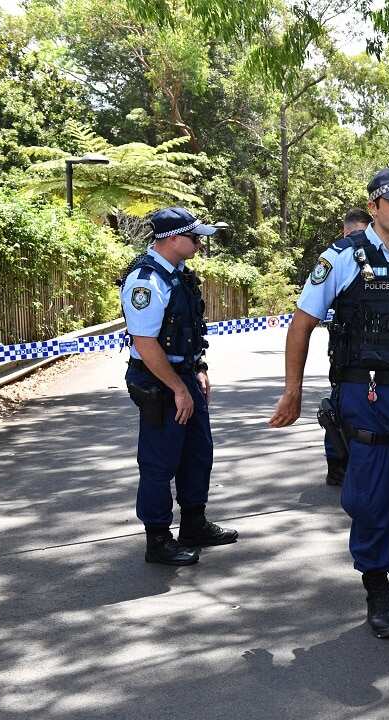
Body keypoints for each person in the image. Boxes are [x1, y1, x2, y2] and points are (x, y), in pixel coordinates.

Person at [269, 168, 389, 639]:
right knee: (369, 501)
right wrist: (292, 390)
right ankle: (376, 584)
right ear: (373, 207)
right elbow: (301, 324)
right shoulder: (341, 260)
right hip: (364, 392)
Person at [121, 207, 239, 566]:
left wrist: (198, 369)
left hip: (183, 375)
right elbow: (145, 342)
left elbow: (188, 332)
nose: (200, 244)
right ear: (172, 239)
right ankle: (158, 538)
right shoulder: (146, 281)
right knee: (159, 460)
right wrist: (177, 388)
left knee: (197, 452)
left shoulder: (179, 276)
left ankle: (193, 523)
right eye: (194, 237)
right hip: (158, 381)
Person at [323, 208, 373, 486]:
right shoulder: (338, 257)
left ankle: (351, 463)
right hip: (348, 353)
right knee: (338, 408)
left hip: (367, 356)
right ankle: (338, 464)